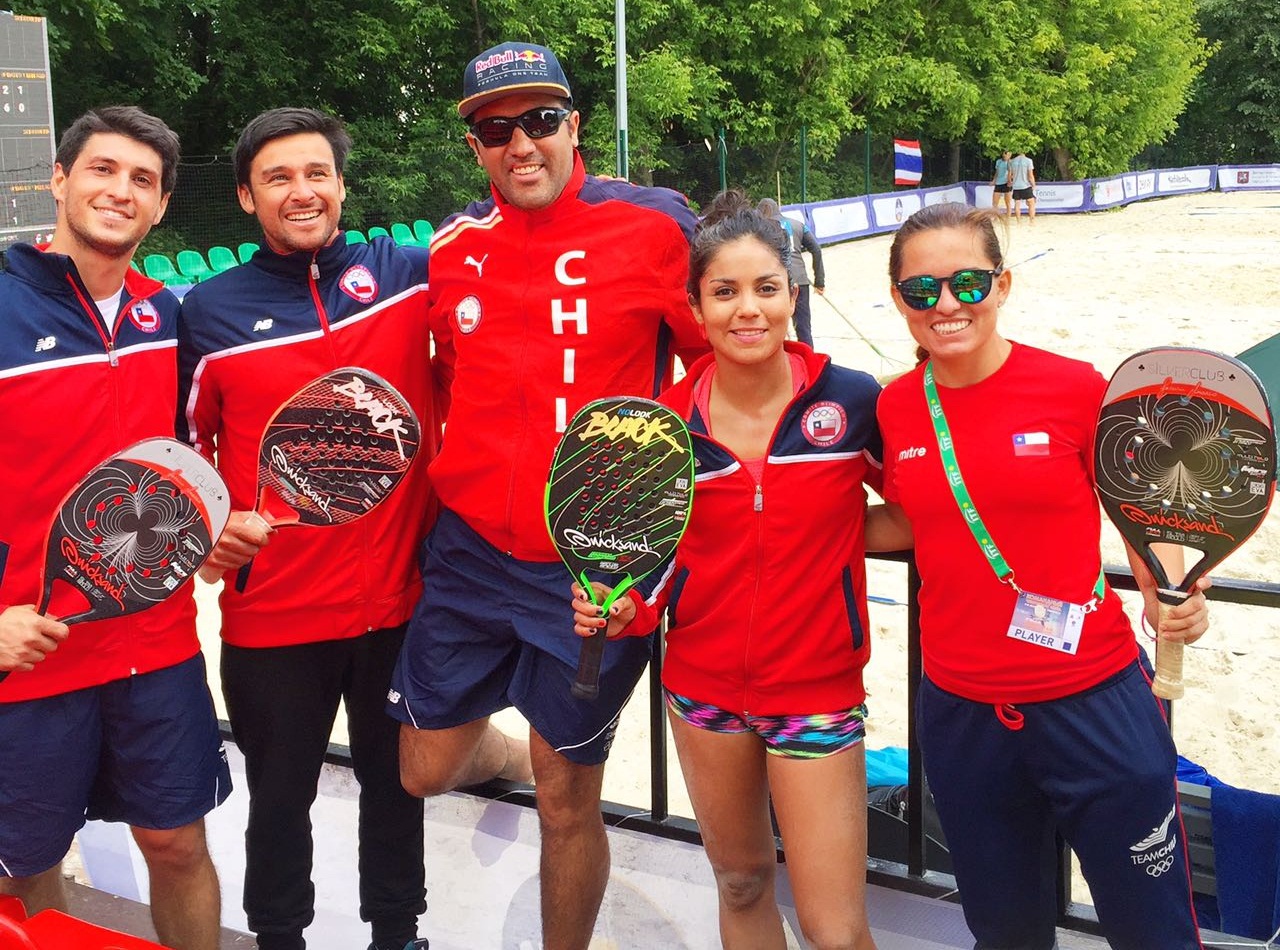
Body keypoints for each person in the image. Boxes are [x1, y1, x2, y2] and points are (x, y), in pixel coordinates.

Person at [388, 41, 706, 950]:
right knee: (423, 768)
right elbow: (438, 384)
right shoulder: (451, 247)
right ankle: (500, 747)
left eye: (538, 120)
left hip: (593, 569)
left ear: (574, 125)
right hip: (470, 553)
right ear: (475, 145)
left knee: (568, 795)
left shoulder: (655, 226)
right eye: (497, 128)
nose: (520, 143)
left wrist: (644, 522)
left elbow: (719, 365)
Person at [874, 201, 1211, 948]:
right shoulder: (894, 408)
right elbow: (910, 515)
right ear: (899, 300)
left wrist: (1170, 590)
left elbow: (1144, 510)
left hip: (1094, 702)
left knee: (1154, 932)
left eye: (967, 282)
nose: (949, 304)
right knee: (1006, 933)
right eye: (923, 290)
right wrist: (803, 527)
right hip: (963, 715)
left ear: (1003, 284)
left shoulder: (1073, 386)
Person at [570, 190, 882, 949]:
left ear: (792, 296)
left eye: (765, 288)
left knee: (833, 929)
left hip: (815, 692)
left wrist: (841, 532)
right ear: (696, 308)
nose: (748, 309)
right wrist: (622, 613)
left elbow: (921, 508)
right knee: (740, 883)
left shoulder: (850, 402)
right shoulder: (664, 426)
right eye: (725, 291)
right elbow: (649, 568)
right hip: (703, 692)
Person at [177, 107, 436, 950]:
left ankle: (398, 936)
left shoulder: (407, 273)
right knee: (280, 800)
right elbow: (182, 453)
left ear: (342, 186)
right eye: (279, 178)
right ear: (248, 197)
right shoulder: (209, 313)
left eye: (316, 173)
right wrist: (208, 529)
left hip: (398, 605)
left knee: (397, 790)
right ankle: (279, 938)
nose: (302, 191)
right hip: (275, 615)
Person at [0, 106, 229, 950]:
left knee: (177, 843)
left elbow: (181, 466)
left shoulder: (168, 318)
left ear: (162, 205)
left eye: (142, 180)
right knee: (27, 863)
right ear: (59, 179)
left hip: (155, 645)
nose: (119, 191)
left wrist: (213, 532)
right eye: (102, 169)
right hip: (30, 653)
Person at [757, 198, 825, 347]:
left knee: (773, 329)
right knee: (804, 328)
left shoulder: (759, 228)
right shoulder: (798, 224)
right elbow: (816, 249)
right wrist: (819, 281)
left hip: (773, 283)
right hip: (800, 280)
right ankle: (809, 364)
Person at [1010, 149, 1037, 222]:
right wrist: (1033, 185)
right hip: (1025, 185)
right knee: (1031, 203)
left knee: (1017, 204)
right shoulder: (1028, 161)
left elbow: (1010, 174)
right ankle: (1032, 221)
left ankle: (1018, 221)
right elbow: (1030, 175)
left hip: (1016, 186)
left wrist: (1010, 181)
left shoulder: (1012, 161)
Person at [990, 149, 1012, 216]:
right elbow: (997, 172)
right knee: (995, 202)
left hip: (1006, 183)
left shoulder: (1010, 162)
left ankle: (1008, 216)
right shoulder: (998, 161)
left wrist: (1009, 181)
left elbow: (1010, 172)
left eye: (1007, 154)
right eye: (1004, 153)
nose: (1005, 155)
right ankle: (995, 216)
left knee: (1007, 202)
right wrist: (994, 180)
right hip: (999, 183)